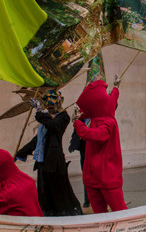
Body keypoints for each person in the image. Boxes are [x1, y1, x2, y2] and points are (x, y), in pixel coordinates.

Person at [15, 89, 83, 216]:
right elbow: (38, 140)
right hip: (43, 161)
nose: (50, 108)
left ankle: (66, 213)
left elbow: (54, 126)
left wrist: (39, 111)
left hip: (54, 161)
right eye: (48, 105)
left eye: (52, 105)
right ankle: (48, 213)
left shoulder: (63, 117)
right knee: (44, 191)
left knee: (59, 190)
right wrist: (20, 153)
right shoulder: (46, 121)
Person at [72, 79, 125, 214]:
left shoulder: (108, 121)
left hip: (106, 178)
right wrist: (116, 88)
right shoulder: (99, 118)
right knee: (101, 214)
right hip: (95, 177)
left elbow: (95, 135)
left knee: (120, 212)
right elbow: (112, 99)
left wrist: (77, 123)